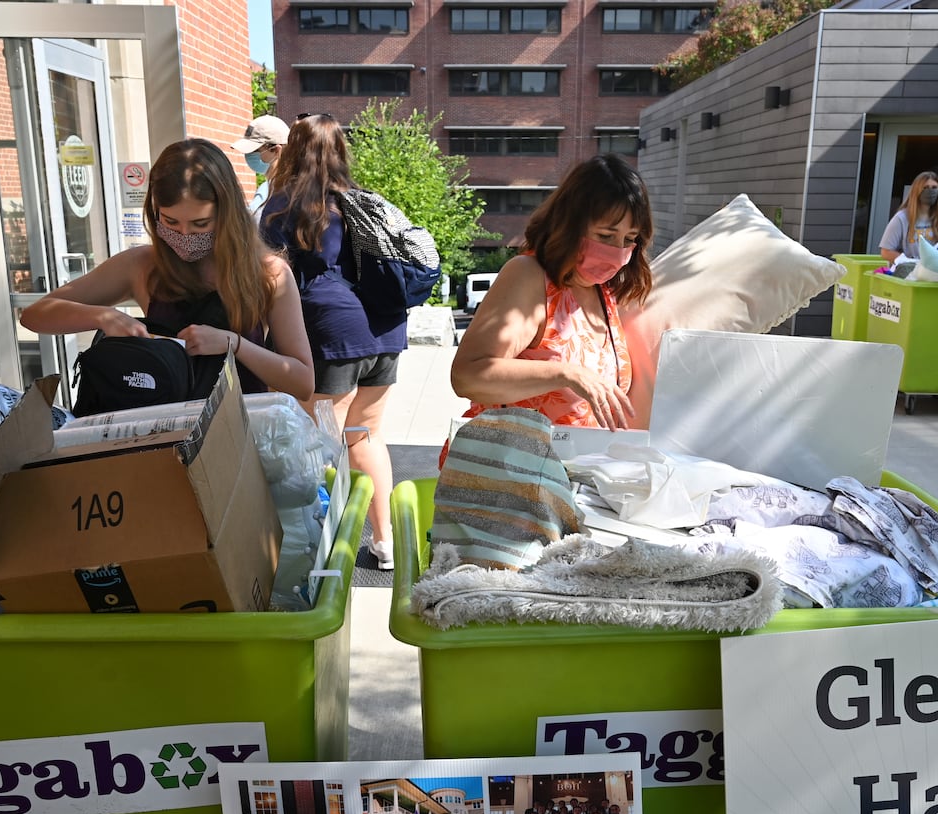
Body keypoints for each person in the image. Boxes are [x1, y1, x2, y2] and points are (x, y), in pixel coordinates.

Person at [20, 138, 314, 404]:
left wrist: (233, 344)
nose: (185, 235)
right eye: (171, 222)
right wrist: (103, 316)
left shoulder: (268, 274)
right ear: (154, 211)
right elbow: (35, 314)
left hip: (238, 442)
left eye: (200, 224)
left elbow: (302, 382)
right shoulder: (143, 265)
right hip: (160, 441)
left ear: (228, 215)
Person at [261, 114, 406, 570]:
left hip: (330, 332)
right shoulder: (364, 200)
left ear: (292, 151)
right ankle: (386, 545)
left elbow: (264, 275)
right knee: (367, 435)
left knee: (317, 444)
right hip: (385, 330)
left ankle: (319, 553)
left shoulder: (283, 206)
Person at [451, 154, 654, 431]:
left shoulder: (604, 292)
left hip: (574, 469)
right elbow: (468, 376)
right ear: (570, 225)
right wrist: (566, 374)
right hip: (512, 470)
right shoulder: (527, 275)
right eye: (605, 236)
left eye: (629, 239)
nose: (618, 251)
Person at [878, 170, 938, 265]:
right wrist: (912, 263)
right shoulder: (901, 218)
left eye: (934, 187)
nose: (930, 191)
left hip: (933, 272)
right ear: (917, 190)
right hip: (907, 273)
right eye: (925, 187)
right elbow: (886, 252)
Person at [232, 114, 290, 218]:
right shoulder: (270, 188)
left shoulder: (273, 192)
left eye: (255, 150)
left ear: (277, 151)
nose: (249, 155)